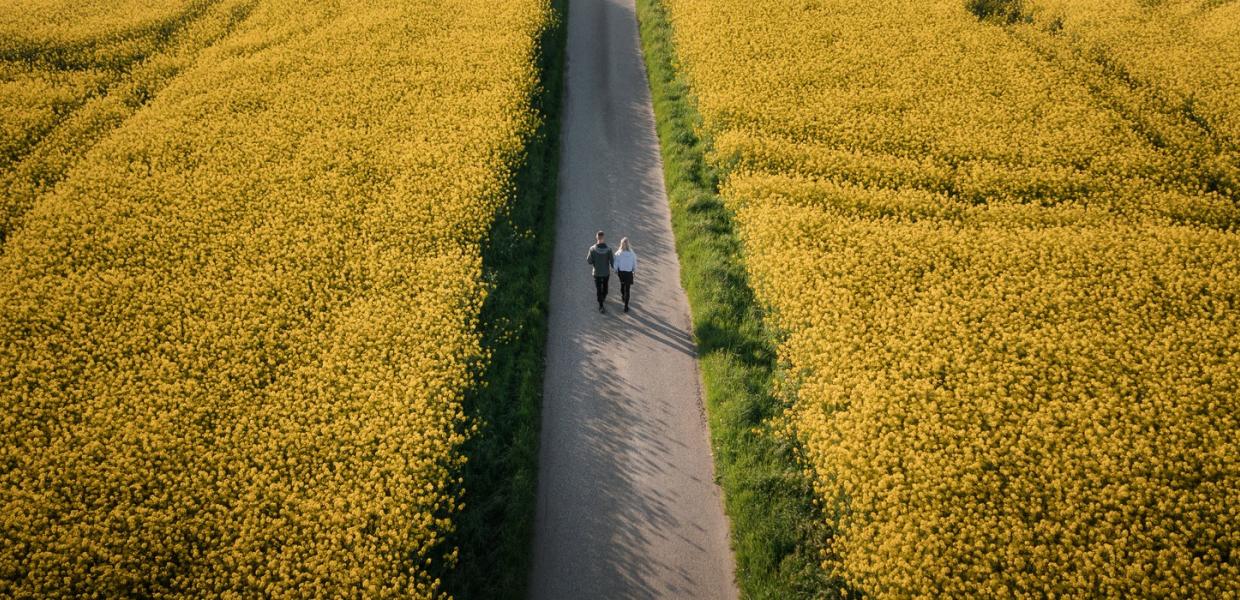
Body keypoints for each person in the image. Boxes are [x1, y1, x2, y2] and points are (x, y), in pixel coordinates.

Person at [586, 230, 614, 313]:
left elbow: (589, 261)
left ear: (596, 238)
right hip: (606, 273)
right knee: (605, 288)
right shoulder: (609, 250)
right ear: (603, 238)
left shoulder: (592, 249)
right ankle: (604, 296)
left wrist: (595, 261)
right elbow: (612, 262)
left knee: (598, 289)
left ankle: (601, 306)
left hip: (596, 273)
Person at [614, 237, 636, 312]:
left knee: (622, 285)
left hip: (621, 273)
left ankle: (623, 296)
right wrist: (634, 270)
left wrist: (615, 270)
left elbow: (616, 263)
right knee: (628, 289)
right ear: (628, 244)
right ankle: (626, 306)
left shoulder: (618, 253)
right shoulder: (632, 253)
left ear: (621, 244)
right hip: (629, 273)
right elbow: (634, 263)